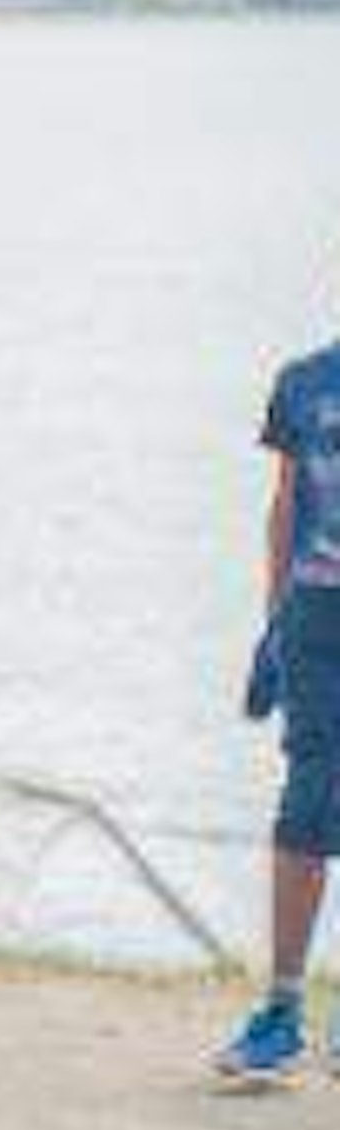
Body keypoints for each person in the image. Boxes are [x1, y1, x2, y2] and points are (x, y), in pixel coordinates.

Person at [214, 315, 340, 1084]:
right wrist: (270, 628)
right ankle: (282, 1011)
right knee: (306, 807)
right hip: (317, 620)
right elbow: (285, 509)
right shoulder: (303, 383)